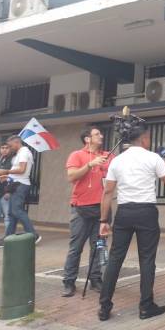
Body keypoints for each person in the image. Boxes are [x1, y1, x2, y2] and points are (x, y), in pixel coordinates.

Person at [97, 124, 165, 321]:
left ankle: (104, 307)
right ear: (144, 139)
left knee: (115, 258)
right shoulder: (153, 158)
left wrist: (103, 221)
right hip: (146, 212)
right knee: (147, 259)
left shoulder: (117, 161)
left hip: (124, 212)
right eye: (149, 138)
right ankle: (146, 306)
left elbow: (107, 192)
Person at [62, 127, 113, 297]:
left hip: (101, 209)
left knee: (98, 246)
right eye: (97, 134)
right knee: (75, 247)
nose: (101, 136)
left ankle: (95, 278)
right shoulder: (77, 155)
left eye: (101, 133)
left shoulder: (108, 155)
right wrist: (90, 164)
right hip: (80, 208)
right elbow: (71, 176)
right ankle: (69, 281)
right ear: (87, 139)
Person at [0, 136, 41, 244]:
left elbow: (22, 169)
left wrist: (5, 171)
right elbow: (20, 172)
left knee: (17, 210)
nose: (10, 148)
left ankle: (34, 235)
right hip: (17, 184)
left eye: (10, 146)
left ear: (17, 142)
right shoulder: (20, 153)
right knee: (11, 213)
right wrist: (7, 177)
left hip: (21, 185)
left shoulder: (24, 152)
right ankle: (8, 238)